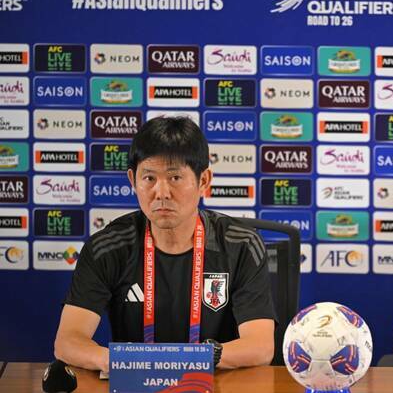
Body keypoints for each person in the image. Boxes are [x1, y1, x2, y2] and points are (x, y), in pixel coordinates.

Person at [54, 116, 275, 372]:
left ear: (203, 181)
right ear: (132, 180)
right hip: (134, 392)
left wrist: (188, 359)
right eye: (149, 178)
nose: (161, 192)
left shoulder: (241, 245)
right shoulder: (107, 247)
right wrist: (119, 362)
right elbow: (67, 342)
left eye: (175, 178)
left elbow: (260, 347)